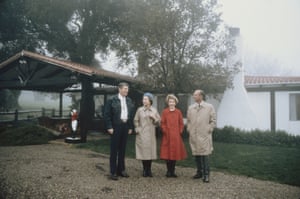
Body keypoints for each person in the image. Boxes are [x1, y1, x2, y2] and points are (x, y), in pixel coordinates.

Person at [103, 82, 134, 180]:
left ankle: (121, 170)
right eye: (125, 89)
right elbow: (107, 114)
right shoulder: (112, 100)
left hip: (125, 127)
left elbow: (130, 115)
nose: (127, 90)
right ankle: (113, 172)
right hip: (115, 127)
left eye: (127, 89)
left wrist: (130, 127)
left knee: (122, 150)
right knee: (114, 150)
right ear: (119, 89)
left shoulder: (129, 100)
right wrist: (109, 127)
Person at [186, 90, 216, 183]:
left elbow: (213, 120)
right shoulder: (191, 108)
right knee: (196, 154)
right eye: (193, 95)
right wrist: (189, 129)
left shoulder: (209, 107)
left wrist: (209, 129)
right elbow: (188, 121)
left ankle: (206, 175)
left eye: (195, 95)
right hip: (194, 134)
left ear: (201, 96)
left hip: (204, 134)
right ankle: (199, 172)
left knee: (205, 154)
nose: (193, 96)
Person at [134, 92, 160, 177]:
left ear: (150, 100)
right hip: (142, 134)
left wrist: (154, 118)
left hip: (151, 134)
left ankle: (149, 170)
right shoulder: (139, 110)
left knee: (150, 152)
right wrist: (137, 128)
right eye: (143, 99)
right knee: (143, 152)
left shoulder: (154, 110)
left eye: (145, 99)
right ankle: (145, 169)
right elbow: (136, 120)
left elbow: (159, 123)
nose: (144, 101)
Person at [160, 94, 187, 177]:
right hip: (167, 136)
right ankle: (168, 171)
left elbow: (181, 124)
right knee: (167, 154)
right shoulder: (165, 112)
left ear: (175, 102)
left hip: (176, 136)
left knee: (175, 153)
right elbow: (162, 123)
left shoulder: (178, 112)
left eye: (173, 101)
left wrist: (179, 131)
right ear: (168, 103)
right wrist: (165, 130)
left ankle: (173, 171)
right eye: (170, 101)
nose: (171, 103)